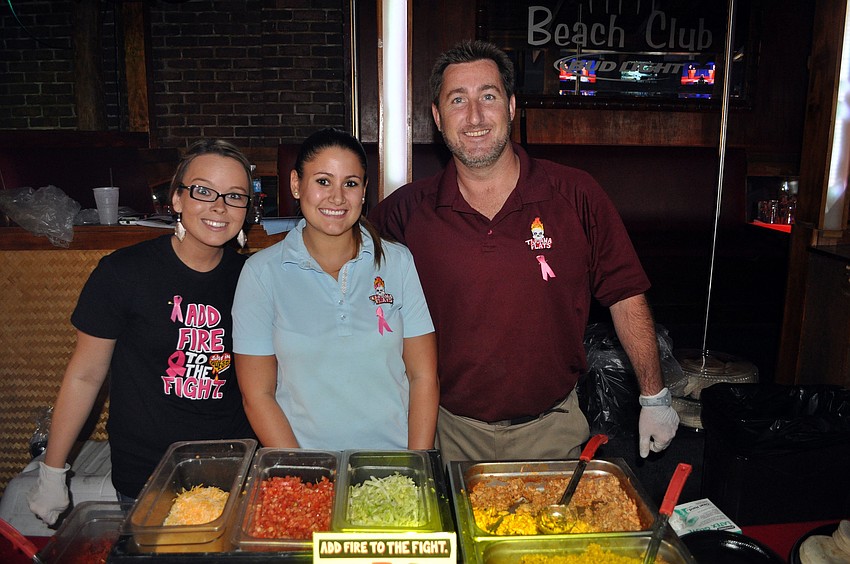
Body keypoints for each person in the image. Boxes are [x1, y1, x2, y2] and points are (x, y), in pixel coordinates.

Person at [368, 40, 679, 463]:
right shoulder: (405, 211)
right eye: (458, 100)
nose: (475, 116)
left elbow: (625, 295)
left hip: (553, 428)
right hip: (444, 430)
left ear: (512, 107)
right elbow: (341, 261)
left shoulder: (576, 194)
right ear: (438, 117)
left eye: (488, 96)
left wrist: (654, 396)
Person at [28, 139, 256, 524]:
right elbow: (85, 375)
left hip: (231, 468)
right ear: (177, 199)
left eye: (235, 196)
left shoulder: (254, 278)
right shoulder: (123, 272)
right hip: (148, 475)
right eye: (203, 190)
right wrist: (53, 471)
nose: (219, 206)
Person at [232, 128, 439, 451]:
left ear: (364, 191)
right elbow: (257, 396)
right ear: (296, 185)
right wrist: (305, 475)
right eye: (323, 181)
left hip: (394, 465)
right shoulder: (261, 274)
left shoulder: (397, 261)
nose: (337, 197)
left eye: (350, 183)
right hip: (307, 471)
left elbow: (423, 377)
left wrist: (416, 464)